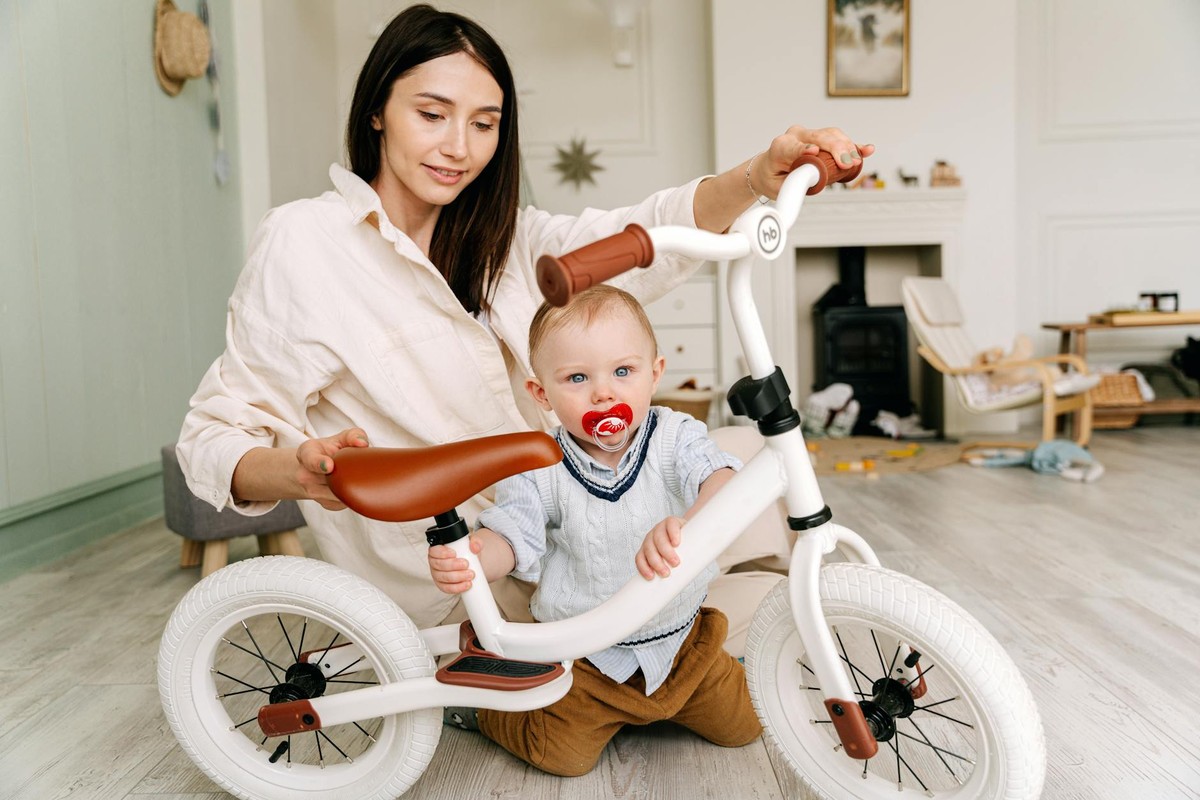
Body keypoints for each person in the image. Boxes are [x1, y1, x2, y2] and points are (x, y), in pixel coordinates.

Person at [176, 4, 874, 635]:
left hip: (570, 523)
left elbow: (638, 239)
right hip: (470, 572)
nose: (460, 146)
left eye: (484, 124)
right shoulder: (306, 243)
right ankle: (784, 641)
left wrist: (759, 176)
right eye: (432, 114)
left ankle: (793, 635)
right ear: (377, 110)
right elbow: (212, 435)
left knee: (748, 458)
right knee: (748, 611)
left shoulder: (503, 236)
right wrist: (299, 471)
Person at [428, 285, 761, 776]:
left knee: (746, 726)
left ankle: (702, 692)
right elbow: (514, 535)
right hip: (585, 661)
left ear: (655, 373)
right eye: (577, 378)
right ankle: (485, 711)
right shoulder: (538, 464)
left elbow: (722, 479)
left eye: (623, 372)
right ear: (542, 394)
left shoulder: (675, 435)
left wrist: (684, 527)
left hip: (685, 646)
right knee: (561, 758)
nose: (604, 392)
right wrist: (475, 558)